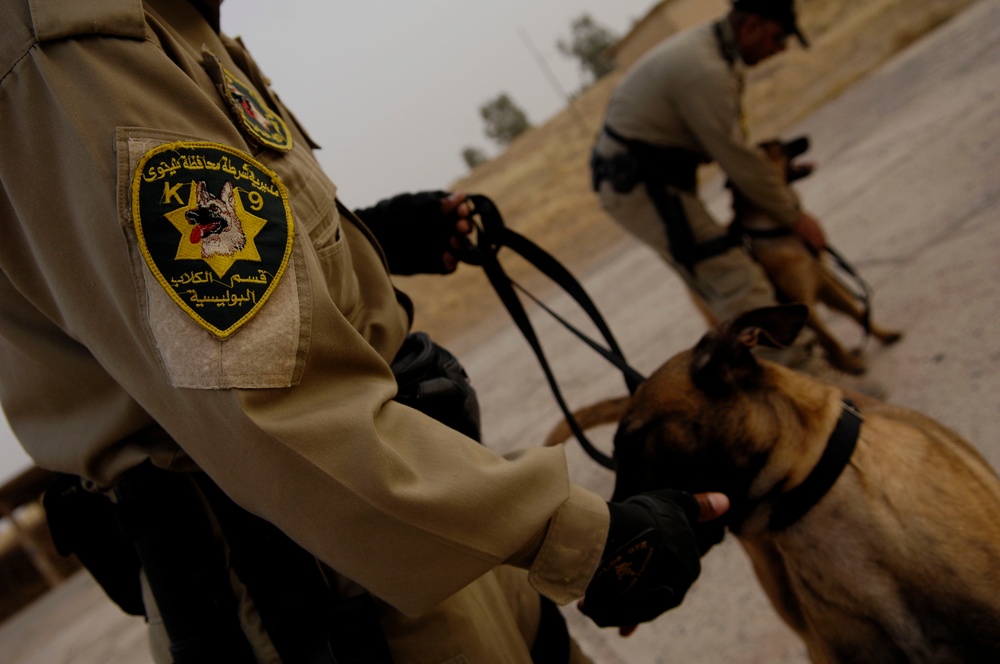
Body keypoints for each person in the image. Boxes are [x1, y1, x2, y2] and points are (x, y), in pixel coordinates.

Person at [0, 1, 728, 662]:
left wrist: (372, 240)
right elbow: (271, 407)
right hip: (321, 581)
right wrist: (583, 542)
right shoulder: (74, 47)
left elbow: (190, 289)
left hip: (418, 521)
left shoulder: (165, 20)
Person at [591, 0, 828, 365]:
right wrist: (795, 216)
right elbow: (739, 160)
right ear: (750, 26)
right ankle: (810, 382)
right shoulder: (706, 70)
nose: (780, 49)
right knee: (736, 280)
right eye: (778, 37)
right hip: (643, 190)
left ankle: (766, 386)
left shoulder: (717, 53)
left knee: (723, 281)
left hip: (652, 184)